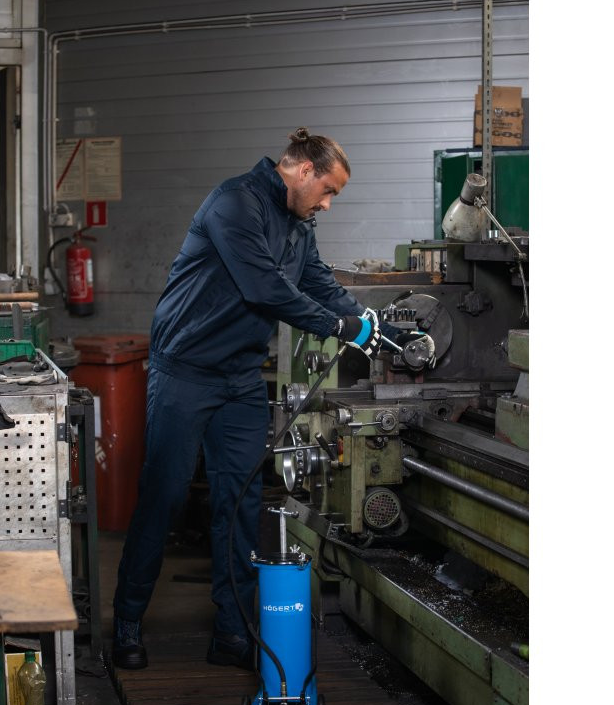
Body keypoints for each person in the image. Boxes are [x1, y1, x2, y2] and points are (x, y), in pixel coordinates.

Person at [111, 127, 399, 671]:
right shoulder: (234, 204)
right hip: (185, 371)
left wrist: (372, 322)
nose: (328, 204)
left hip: (240, 377)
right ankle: (126, 620)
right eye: (329, 190)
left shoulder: (299, 224)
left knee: (239, 502)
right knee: (164, 496)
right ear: (304, 171)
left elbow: (317, 282)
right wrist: (340, 327)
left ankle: (232, 630)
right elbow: (264, 287)